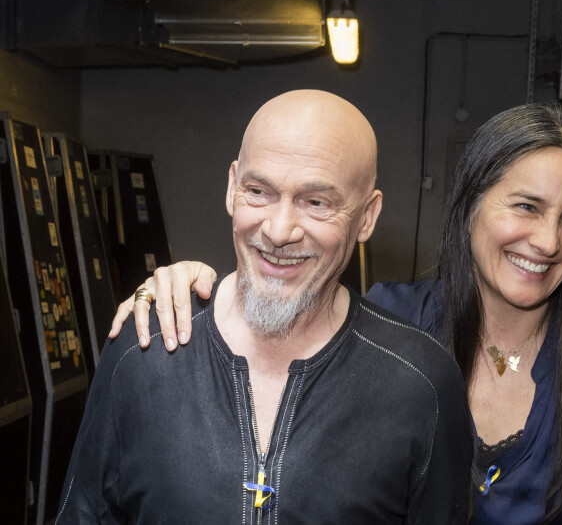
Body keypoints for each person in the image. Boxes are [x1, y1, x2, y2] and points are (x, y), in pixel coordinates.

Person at [112, 102, 562, 524]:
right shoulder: (391, 323)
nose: (547, 241)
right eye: (526, 206)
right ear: (469, 206)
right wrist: (194, 290)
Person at [58, 90, 472, 523]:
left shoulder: (422, 384)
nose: (278, 231)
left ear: (367, 216)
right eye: (259, 191)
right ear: (232, 186)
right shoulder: (144, 348)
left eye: (316, 202)